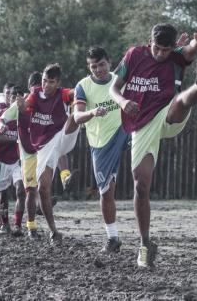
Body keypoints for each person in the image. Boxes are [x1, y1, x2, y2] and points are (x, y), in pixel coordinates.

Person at [109, 23, 197, 267]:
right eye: (158, 48)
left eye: (167, 50)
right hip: (141, 123)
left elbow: (187, 52)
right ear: (150, 41)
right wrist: (124, 102)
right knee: (141, 185)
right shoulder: (134, 54)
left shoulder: (175, 57)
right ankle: (145, 245)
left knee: (181, 101)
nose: (161, 54)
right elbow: (113, 88)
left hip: (167, 113)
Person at [73, 47, 130, 253]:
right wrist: (93, 112)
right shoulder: (83, 86)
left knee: (142, 177)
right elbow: (77, 117)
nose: (98, 69)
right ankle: (113, 238)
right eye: (93, 66)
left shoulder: (120, 79)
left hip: (124, 133)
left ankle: (145, 237)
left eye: (102, 64)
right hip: (100, 144)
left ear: (110, 62)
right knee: (106, 193)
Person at [17, 64, 80, 244]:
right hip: (44, 148)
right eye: (44, 80)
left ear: (57, 82)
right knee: (43, 189)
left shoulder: (62, 93)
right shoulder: (35, 94)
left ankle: (64, 173)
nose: (46, 85)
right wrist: (21, 106)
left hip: (61, 138)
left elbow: (75, 92)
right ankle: (53, 231)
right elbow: (26, 105)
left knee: (74, 117)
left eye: (51, 82)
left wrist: (80, 95)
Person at [0, 84, 25, 235]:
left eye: (19, 97)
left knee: (21, 189)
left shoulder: (25, 116)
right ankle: (4, 224)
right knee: (2, 193)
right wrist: (17, 139)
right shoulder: (1, 114)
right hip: (1, 159)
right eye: (12, 96)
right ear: (8, 98)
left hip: (17, 159)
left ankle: (18, 225)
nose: (15, 100)